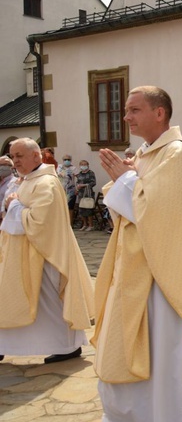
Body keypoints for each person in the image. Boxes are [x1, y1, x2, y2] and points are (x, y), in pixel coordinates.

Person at [74, 86, 182, 422]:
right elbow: (134, 208)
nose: (126, 117)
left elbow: (158, 216)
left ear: (160, 113)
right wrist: (127, 178)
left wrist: (125, 180)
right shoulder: (147, 155)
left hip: (161, 280)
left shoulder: (177, 155)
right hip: (133, 270)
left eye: (134, 109)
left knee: (161, 356)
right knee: (119, 346)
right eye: (125, 110)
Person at [0, 138, 93, 364]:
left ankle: (67, 346)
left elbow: (39, 222)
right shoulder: (27, 180)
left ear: (36, 155)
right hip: (23, 254)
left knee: (50, 305)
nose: (15, 161)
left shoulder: (46, 184)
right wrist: (11, 205)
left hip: (45, 256)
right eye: (13, 156)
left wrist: (13, 206)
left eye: (20, 156)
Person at [76, 160, 97, 231]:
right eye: (82, 164)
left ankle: (91, 225)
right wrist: (77, 187)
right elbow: (78, 182)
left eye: (85, 164)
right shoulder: (79, 174)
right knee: (81, 209)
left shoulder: (91, 173)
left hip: (88, 193)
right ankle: (84, 224)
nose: (83, 165)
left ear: (87, 165)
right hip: (81, 193)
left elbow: (93, 182)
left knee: (88, 209)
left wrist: (85, 185)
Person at [57, 154, 77, 226]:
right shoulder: (59, 167)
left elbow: (76, 178)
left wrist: (76, 188)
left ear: (71, 160)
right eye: (65, 159)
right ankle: (62, 224)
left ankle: (70, 224)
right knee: (61, 207)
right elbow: (59, 175)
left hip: (71, 190)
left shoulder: (73, 168)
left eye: (68, 159)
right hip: (61, 190)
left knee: (70, 208)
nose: (67, 161)